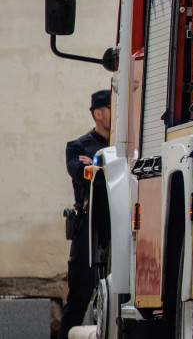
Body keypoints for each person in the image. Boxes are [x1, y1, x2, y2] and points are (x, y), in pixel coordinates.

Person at [61, 89, 110, 339]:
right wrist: (94, 169)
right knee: (78, 298)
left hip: (115, 226)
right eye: (111, 108)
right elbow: (80, 173)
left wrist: (96, 165)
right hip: (88, 228)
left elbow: (95, 173)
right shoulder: (77, 146)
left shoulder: (121, 145)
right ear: (98, 114)